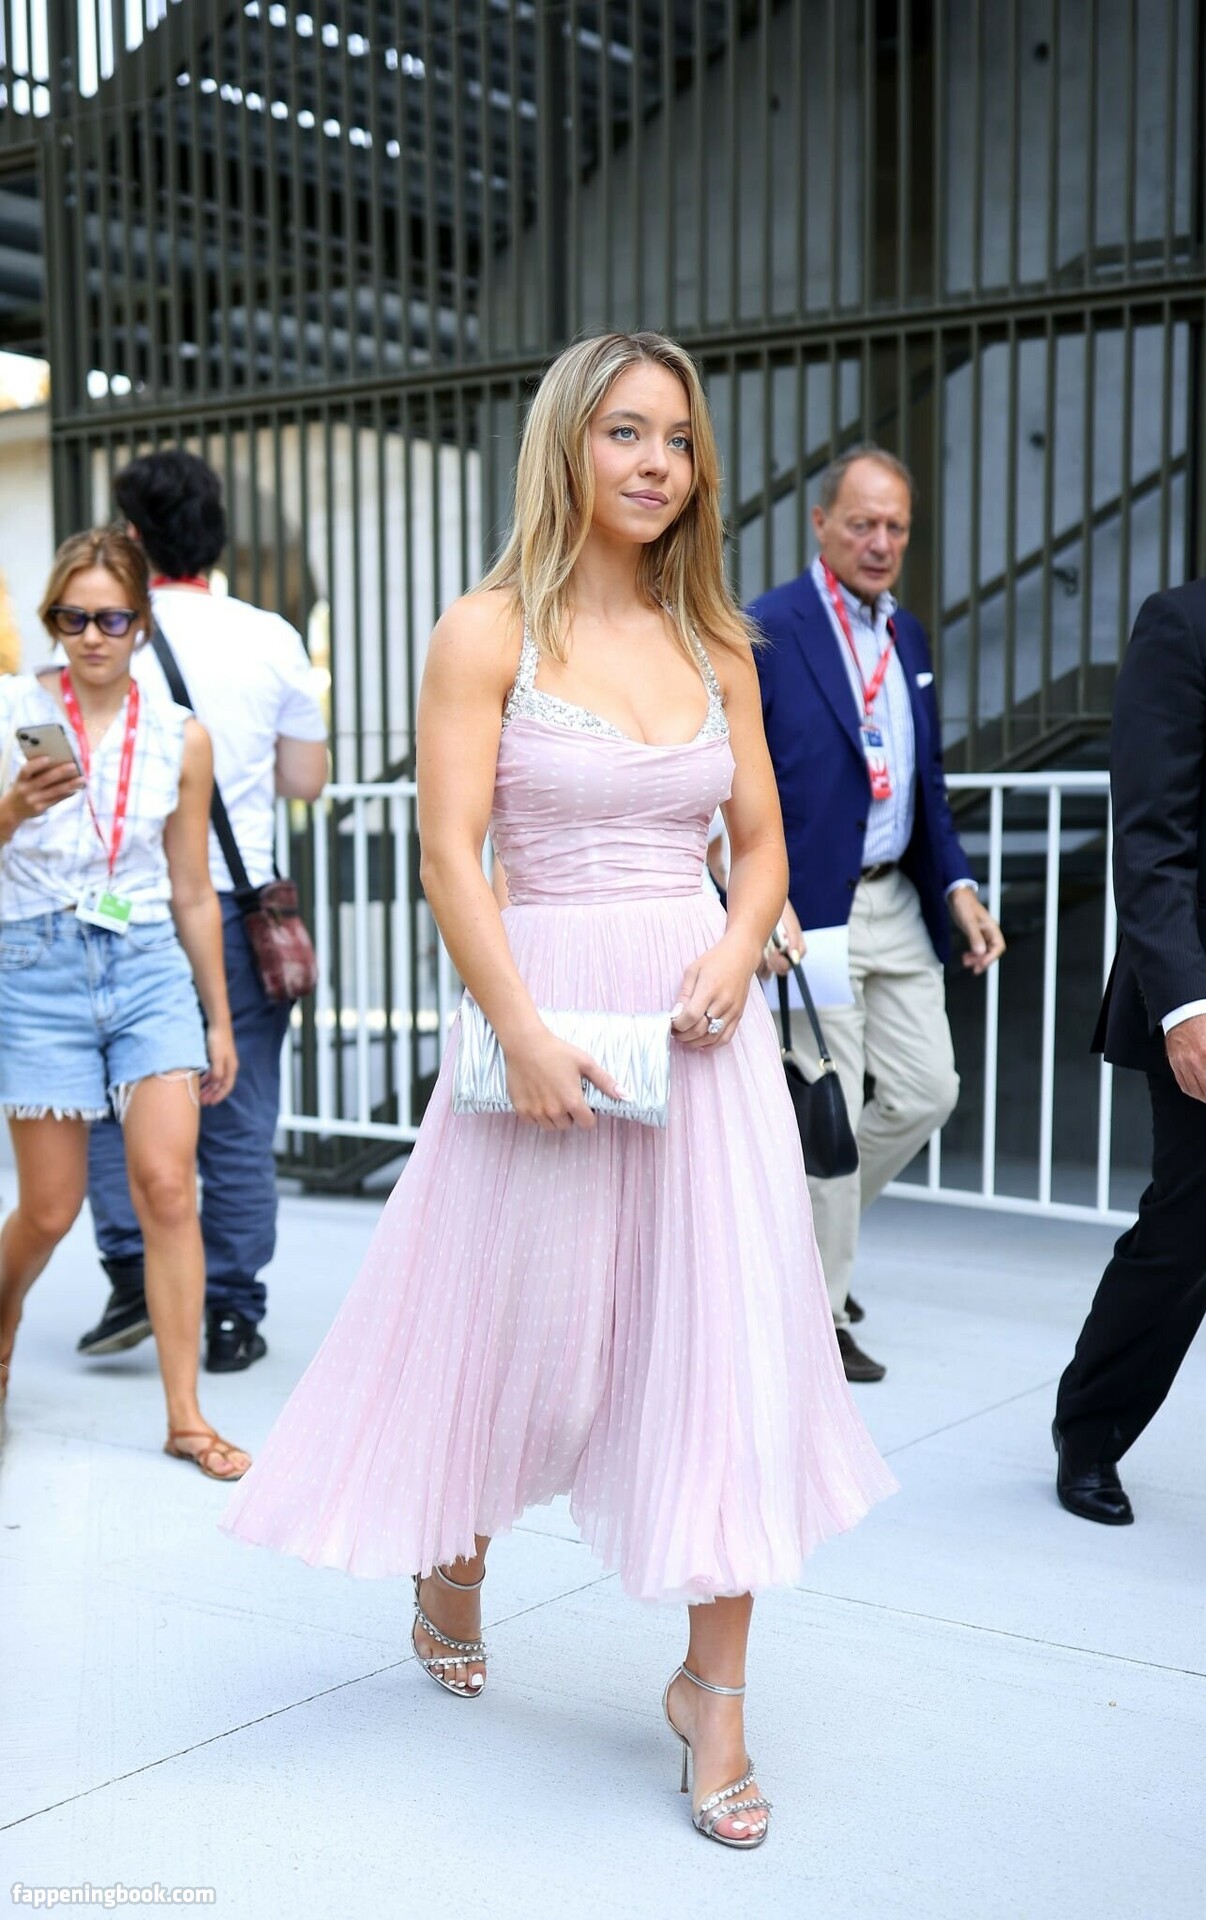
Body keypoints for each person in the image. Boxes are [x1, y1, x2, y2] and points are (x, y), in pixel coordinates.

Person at [221, 331, 896, 1847]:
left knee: (722, 1348)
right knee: (511, 1330)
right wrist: (516, 1029)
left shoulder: (719, 640)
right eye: (625, 433)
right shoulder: (486, 631)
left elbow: (764, 846)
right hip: (543, 1027)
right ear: (567, 446)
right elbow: (449, 854)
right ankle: (452, 1550)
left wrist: (736, 942)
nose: (656, 463)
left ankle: (713, 1694)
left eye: (678, 439)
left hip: (702, 1041)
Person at [1054, 390, 1206, 1525]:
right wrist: (1185, 1005)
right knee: (1183, 1241)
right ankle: (1089, 1430)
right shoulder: (1188, 624)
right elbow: (1149, 840)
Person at [748, 447, 1005, 1383]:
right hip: (809, 908)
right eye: (863, 523)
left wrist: (959, 887)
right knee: (830, 1110)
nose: (881, 541)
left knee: (927, 1088)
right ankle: (817, 1315)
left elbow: (925, 781)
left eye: (896, 526)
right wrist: (758, 897)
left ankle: (798, 1249)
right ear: (821, 524)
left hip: (896, 897)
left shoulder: (908, 635)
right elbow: (735, 779)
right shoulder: (768, 628)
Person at [0, 529, 247, 1479]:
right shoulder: (14, 712)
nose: (92, 637)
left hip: (145, 963)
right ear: (52, 621)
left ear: (141, 623)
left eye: (111, 619)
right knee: (50, 1209)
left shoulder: (182, 734)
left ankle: (186, 1417)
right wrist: (14, 809)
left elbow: (191, 888)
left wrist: (217, 1016)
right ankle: (3, 1318)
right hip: (37, 964)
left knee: (169, 1188)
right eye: (73, 618)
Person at [76, 451, 328, 1374]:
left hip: (126, 906)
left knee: (118, 1099)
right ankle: (227, 1312)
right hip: (239, 905)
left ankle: (132, 1273)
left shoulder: (105, 640)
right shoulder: (270, 637)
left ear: (131, 537)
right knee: (239, 1111)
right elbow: (306, 778)